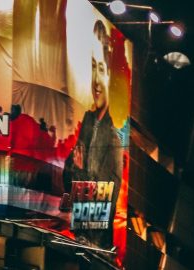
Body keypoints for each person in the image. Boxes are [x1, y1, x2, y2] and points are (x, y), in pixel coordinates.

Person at [62, 19, 123, 249]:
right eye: (92, 66)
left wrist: (79, 170)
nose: (96, 80)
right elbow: (65, 179)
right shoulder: (86, 123)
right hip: (74, 236)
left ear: (109, 76)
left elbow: (105, 200)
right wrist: (76, 171)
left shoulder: (113, 142)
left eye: (101, 69)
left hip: (95, 246)